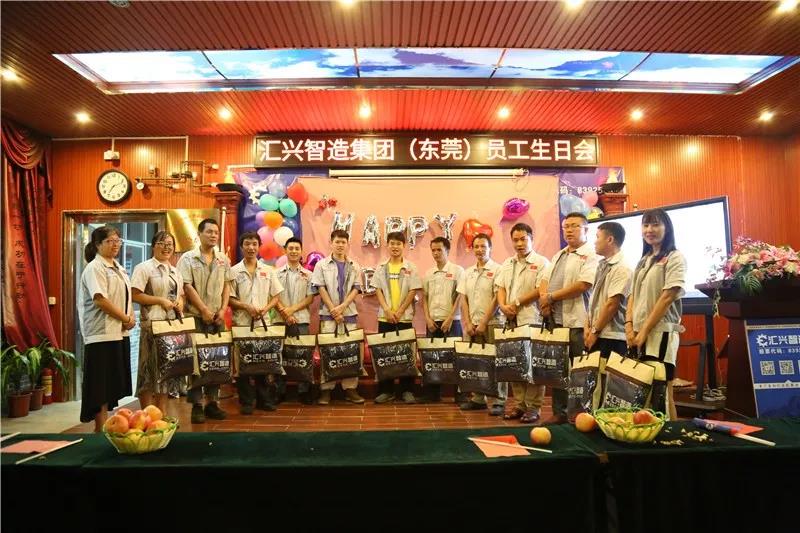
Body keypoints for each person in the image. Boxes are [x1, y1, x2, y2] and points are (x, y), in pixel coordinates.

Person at [626, 209, 687, 421]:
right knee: (644, 392)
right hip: (637, 333)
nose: (649, 230)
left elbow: (668, 296)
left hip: (661, 333)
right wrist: (629, 325)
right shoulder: (644, 260)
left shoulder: (675, 257)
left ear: (667, 228)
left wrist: (644, 330)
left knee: (663, 392)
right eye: (646, 225)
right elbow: (633, 295)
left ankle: (670, 433)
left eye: (655, 225)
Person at [538, 212, 599, 425]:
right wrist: (544, 301)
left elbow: (583, 284)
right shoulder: (559, 254)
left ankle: (580, 415)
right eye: (566, 227)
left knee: (580, 371)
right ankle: (559, 412)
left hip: (579, 322)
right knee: (558, 369)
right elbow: (544, 279)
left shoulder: (591, 254)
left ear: (586, 229)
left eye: (574, 226)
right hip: (556, 322)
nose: (569, 230)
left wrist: (551, 297)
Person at [77, 225, 134, 431]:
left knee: (111, 383)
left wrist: (130, 317)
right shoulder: (95, 267)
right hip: (100, 334)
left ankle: (107, 425)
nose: (115, 244)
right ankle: (99, 428)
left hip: (118, 332)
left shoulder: (119, 267)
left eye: (118, 240)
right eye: (110, 241)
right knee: (100, 386)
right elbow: (100, 299)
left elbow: (127, 296)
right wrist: (125, 317)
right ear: (97, 244)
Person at [177, 218, 233, 424]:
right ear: (199, 234)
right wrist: (203, 310)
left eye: (216, 232)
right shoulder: (187, 258)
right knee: (196, 363)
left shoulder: (223, 259)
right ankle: (197, 405)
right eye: (209, 232)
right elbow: (187, 286)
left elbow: (227, 285)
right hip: (196, 317)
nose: (213, 235)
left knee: (216, 361)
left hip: (217, 318)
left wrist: (223, 309)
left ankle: (212, 403)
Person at [495, 222, 549, 424]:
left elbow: (540, 289)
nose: (519, 244)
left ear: (531, 239)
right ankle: (519, 405)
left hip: (531, 319)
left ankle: (533, 407)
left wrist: (516, 303)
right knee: (515, 364)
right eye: (515, 240)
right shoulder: (507, 263)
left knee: (532, 365)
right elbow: (500, 287)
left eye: (523, 239)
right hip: (510, 320)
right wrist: (502, 306)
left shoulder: (541, 262)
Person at [228, 231, 284, 414]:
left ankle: (264, 400)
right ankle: (246, 401)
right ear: (241, 247)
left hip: (263, 323)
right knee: (243, 363)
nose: (251, 248)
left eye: (254, 244)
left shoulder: (268, 270)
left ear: (259, 247)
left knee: (263, 361)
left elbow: (276, 296)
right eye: (247, 244)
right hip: (242, 324)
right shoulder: (233, 271)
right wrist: (247, 307)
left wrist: (265, 309)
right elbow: (229, 299)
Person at [131, 230, 184, 415]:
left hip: (170, 328)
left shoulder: (175, 271)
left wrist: (180, 302)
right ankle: (146, 416)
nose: (166, 247)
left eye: (170, 244)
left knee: (166, 372)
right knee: (147, 372)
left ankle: (161, 415)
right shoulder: (144, 268)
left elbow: (181, 295)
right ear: (153, 246)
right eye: (162, 243)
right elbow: (135, 294)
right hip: (152, 327)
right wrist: (160, 300)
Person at [311, 229, 365, 405]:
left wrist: (342, 307)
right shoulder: (321, 265)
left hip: (348, 314)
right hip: (328, 315)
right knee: (328, 351)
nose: (340, 245)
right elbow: (320, 288)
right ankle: (326, 390)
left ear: (348, 244)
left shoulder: (354, 265)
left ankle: (350, 389)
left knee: (350, 351)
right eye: (337, 242)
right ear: (331, 243)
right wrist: (333, 309)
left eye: (343, 242)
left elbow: (356, 288)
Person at [457, 233, 507, 416]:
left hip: (493, 323)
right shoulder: (467, 272)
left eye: (483, 246)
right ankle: (478, 398)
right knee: (476, 362)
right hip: (473, 325)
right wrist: (468, 322)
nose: (479, 250)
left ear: (490, 248)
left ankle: (499, 400)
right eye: (476, 246)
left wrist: (484, 322)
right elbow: (463, 298)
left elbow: (497, 298)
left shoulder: (498, 269)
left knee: (497, 362)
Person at [372, 231, 423, 404]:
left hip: (404, 317)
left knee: (406, 354)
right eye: (392, 243)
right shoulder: (381, 267)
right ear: (387, 245)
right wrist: (387, 309)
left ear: (404, 246)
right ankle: (386, 391)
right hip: (385, 317)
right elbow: (378, 289)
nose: (395, 247)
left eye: (398, 244)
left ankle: (407, 390)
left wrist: (400, 311)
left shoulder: (411, 267)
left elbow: (413, 290)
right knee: (385, 355)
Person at [421, 236, 465, 403]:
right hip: (433, 322)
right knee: (433, 359)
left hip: (452, 321)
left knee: (455, 358)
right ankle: (432, 394)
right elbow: (425, 297)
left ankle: (459, 395)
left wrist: (450, 318)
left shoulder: (457, 270)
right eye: (433, 250)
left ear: (447, 250)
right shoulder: (428, 273)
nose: (436, 253)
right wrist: (427, 318)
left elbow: (460, 296)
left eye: (439, 250)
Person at [274, 237, 316, 405]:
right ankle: (279, 390)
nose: (293, 251)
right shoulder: (276, 273)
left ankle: (304, 391)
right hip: (280, 320)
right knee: (280, 355)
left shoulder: (308, 274)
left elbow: (310, 298)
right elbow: (274, 296)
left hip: (301, 320)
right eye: (290, 248)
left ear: (301, 251)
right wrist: (285, 312)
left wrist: (291, 310)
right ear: (285, 250)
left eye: (297, 248)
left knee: (302, 355)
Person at [585, 221, 632, 359]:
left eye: (597, 237)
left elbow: (612, 304)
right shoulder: (602, 265)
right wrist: (587, 326)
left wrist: (594, 331)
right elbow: (593, 300)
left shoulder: (622, 267)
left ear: (610, 239)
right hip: (597, 332)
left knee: (607, 372)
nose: (595, 242)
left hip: (612, 336)